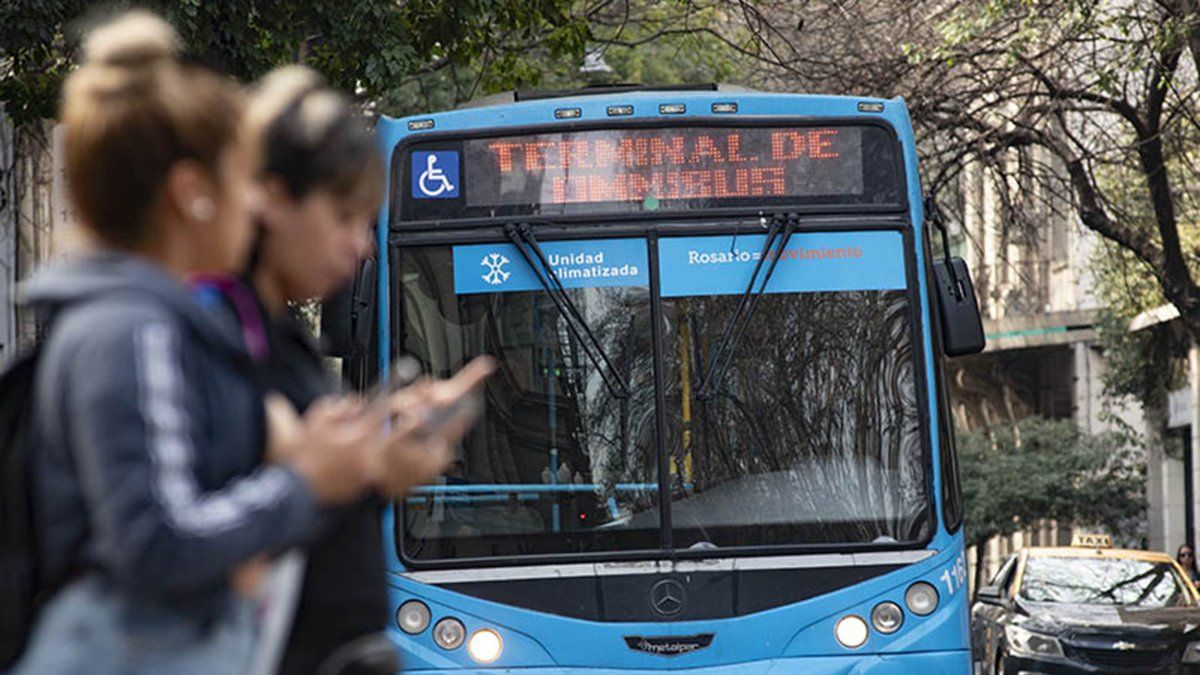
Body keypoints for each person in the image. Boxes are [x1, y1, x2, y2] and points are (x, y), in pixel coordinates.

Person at [11, 12, 435, 675]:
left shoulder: (140, 319)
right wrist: (304, 478)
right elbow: (159, 539)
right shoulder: (136, 327)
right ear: (192, 196)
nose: (255, 204)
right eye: (243, 182)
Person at [214, 66, 493, 674]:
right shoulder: (206, 337)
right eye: (343, 218)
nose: (361, 245)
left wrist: (377, 458)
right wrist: (341, 470)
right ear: (273, 197)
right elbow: (180, 544)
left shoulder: (278, 336)